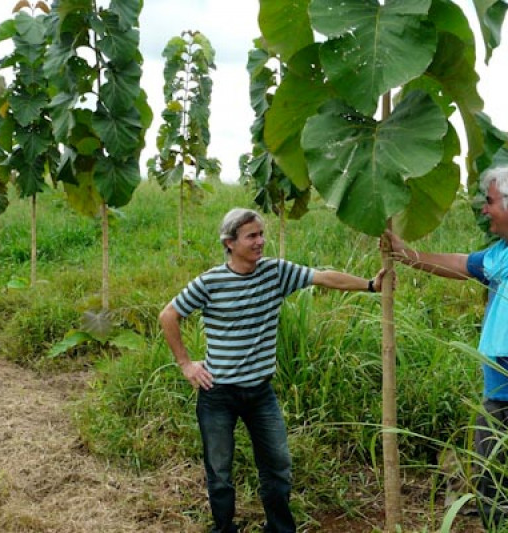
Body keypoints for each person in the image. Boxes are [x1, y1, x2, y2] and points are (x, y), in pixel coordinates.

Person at [385, 164, 508, 528]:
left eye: (490, 201)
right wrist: (406, 255)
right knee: (491, 489)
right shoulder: (504, 254)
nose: (484, 209)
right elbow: (462, 265)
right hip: (499, 392)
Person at [159, 207, 385, 533]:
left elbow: (323, 277)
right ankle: (223, 528)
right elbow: (169, 315)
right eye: (252, 236)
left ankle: (280, 528)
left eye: (261, 234)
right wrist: (186, 364)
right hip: (217, 393)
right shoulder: (210, 282)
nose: (260, 241)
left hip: (261, 393)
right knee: (219, 470)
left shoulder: (276, 272)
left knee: (277, 466)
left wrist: (369, 285)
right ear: (229, 242)